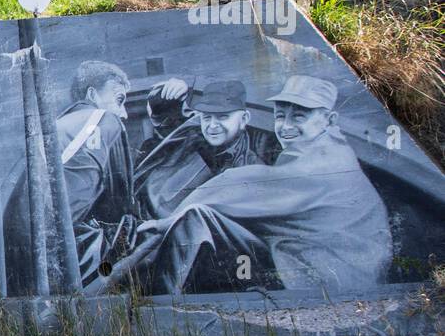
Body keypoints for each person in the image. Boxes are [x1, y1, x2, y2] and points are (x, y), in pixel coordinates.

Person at [123, 75, 392, 294]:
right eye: (280, 116)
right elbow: (166, 126)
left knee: (196, 218)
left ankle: (161, 305)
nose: (285, 126)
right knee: (198, 218)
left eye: (298, 117)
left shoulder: (323, 160)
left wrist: (167, 222)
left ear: (330, 120)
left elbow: (248, 183)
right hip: (314, 254)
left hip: (335, 272)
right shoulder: (319, 147)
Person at [0, 60, 136, 297]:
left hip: (16, 256)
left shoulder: (55, 127)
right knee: (141, 234)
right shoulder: (103, 119)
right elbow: (117, 202)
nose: (123, 113)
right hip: (52, 248)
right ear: (92, 94)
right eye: (119, 100)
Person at [134, 79, 280, 220]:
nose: (212, 125)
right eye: (206, 117)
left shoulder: (254, 161)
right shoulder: (192, 138)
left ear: (243, 119)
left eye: (222, 117)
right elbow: (163, 124)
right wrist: (166, 92)